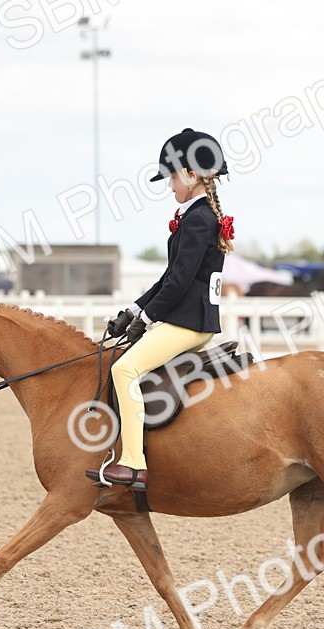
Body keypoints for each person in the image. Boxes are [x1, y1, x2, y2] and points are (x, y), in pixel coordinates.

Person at [87, 128, 234, 491]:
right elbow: (169, 276)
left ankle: (134, 463)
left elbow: (180, 282)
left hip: (190, 322)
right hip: (189, 317)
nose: (169, 184)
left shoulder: (199, 219)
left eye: (171, 176)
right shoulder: (195, 215)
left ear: (191, 174)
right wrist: (135, 311)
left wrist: (148, 319)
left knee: (124, 369)